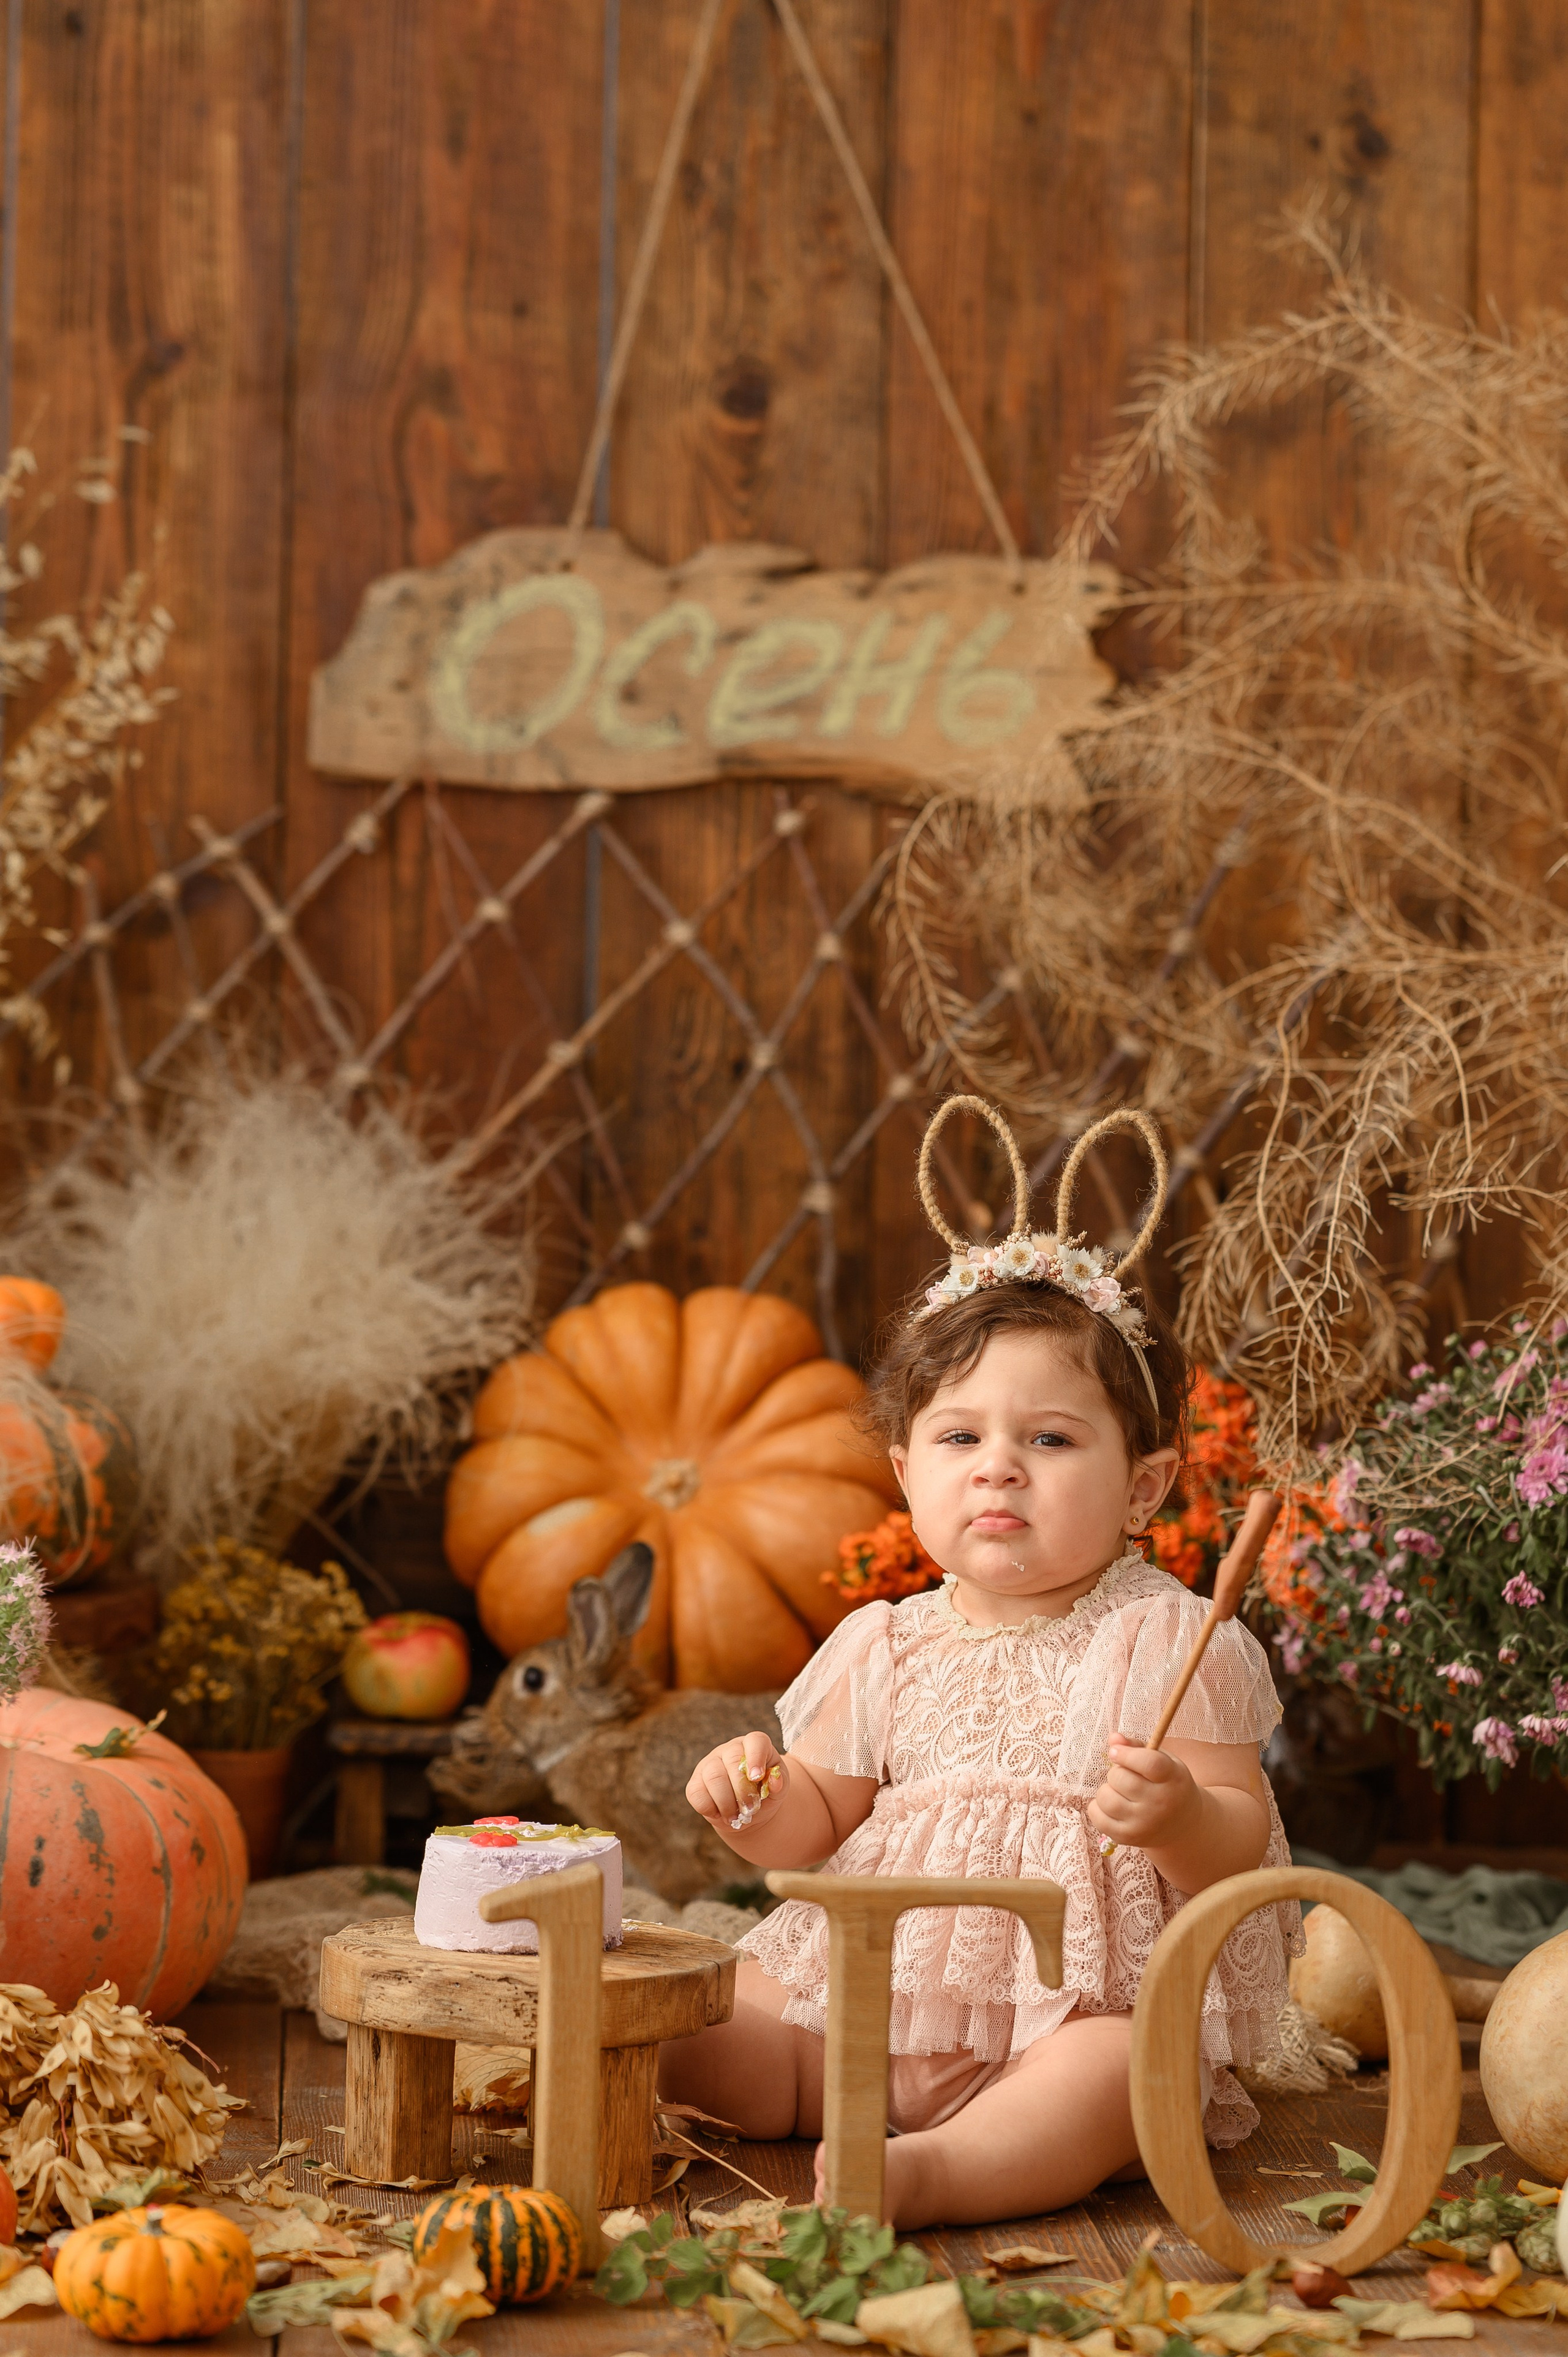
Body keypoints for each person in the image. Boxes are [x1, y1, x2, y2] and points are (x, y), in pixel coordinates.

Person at [659, 1096, 1298, 2228]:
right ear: (907, 1473)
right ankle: (658, 2075)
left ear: (1143, 1487)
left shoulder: (1170, 1637)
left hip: (1065, 2019)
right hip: (859, 2014)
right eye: (961, 1439)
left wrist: (1177, 1816)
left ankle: (937, 2173)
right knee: (702, 2016)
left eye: (1049, 1439)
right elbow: (818, 1818)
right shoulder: (886, 1641)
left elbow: (1238, 1852)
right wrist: (755, 1803)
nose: (998, 1469)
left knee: (1121, 2070)